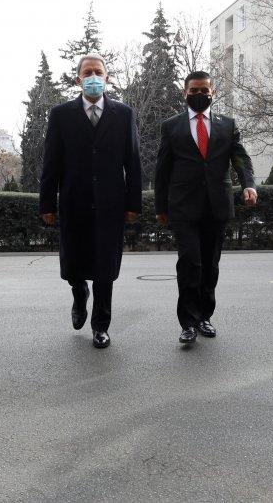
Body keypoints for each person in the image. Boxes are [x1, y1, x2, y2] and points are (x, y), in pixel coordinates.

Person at [39, 54, 142, 349]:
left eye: (99, 72)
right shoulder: (61, 114)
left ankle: (101, 326)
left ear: (107, 78)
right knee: (74, 266)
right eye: (88, 72)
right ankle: (79, 293)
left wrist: (133, 202)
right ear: (78, 79)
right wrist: (47, 204)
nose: (93, 76)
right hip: (74, 202)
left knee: (105, 269)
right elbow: (51, 162)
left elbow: (132, 162)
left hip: (111, 204)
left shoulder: (124, 114)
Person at [155, 70, 257, 346]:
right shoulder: (172, 126)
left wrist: (249, 184)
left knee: (210, 265)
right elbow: (162, 170)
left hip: (217, 206)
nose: (199, 95)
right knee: (190, 262)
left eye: (204, 91)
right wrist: (160, 207)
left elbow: (241, 159)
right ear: (185, 92)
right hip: (183, 207)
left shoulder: (227, 125)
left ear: (213, 92)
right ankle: (187, 322)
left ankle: (204, 317)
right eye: (194, 91)